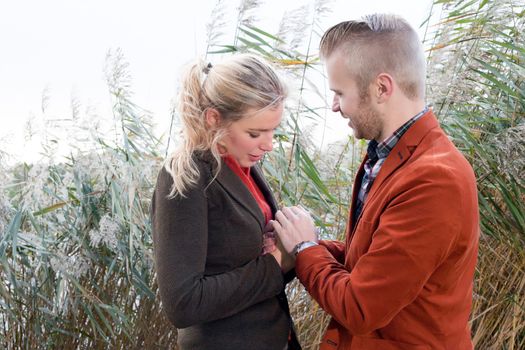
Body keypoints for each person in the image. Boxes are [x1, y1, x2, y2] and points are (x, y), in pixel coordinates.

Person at [270, 14, 480, 350]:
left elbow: (360, 307)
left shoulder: (435, 180)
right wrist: (305, 242)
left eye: (340, 92)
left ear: (381, 88)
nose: (334, 106)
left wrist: (305, 250)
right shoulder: (386, 156)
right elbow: (371, 260)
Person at [151, 54, 300, 350]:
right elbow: (183, 304)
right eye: (255, 133)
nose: (269, 144)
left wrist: (296, 244)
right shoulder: (186, 177)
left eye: (273, 131)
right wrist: (277, 263)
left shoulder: (242, 164)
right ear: (214, 119)